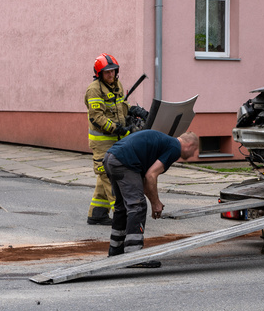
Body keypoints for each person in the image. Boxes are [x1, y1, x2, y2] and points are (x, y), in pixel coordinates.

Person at [103, 130, 200, 268]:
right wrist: (155, 203)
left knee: (123, 207)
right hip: (124, 161)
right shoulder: (174, 148)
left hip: (111, 157)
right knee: (137, 207)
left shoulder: (163, 142)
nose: (193, 154)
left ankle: (115, 249)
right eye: (195, 150)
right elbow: (151, 176)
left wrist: (155, 201)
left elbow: (143, 183)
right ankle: (133, 255)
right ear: (189, 144)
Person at [84, 53, 148, 225]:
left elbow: (121, 106)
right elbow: (97, 117)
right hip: (102, 141)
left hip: (115, 139)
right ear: (99, 74)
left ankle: (97, 214)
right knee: (109, 175)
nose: (111, 75)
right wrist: (118, 129)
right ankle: (123, 215)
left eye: (113, 71)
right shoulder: (94, 89)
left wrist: (134, 111)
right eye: (107, 72)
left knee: (104, 175)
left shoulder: (116, 85)